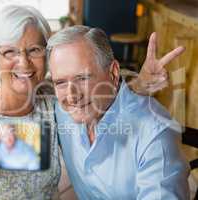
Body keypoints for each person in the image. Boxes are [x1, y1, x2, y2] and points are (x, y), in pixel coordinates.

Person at [0, 5, 182, 200]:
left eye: (34, 49)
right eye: (9, 51)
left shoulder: (53, 109)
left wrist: (139, 86)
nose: (22, 62)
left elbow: (95, 96)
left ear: (47, 58)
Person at [47, 25, 189, 199]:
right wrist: (138, 84)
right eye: (60, 82)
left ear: (113, 74)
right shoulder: (61, 112)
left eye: (82, 78)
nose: (71, 96)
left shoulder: (155, 136)